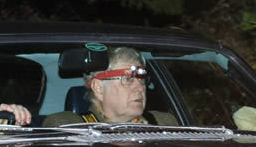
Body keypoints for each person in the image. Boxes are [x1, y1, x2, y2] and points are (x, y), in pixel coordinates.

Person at [43, 46, 179, 126]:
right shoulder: (68, 126)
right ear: (99, 88)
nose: (140, 88)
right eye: (128, 79)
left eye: (142, 80)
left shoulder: (164, 123)